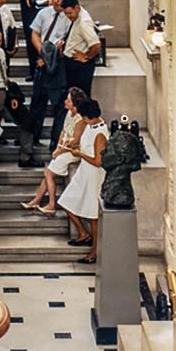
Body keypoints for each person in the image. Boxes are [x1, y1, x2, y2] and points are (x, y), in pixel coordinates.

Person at [21, 86, 87, 213]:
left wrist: (60, 151)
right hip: (63, 147)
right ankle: (36, 201)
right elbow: (63, 131)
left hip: (72, 151)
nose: (65, 102)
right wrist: (58, 147)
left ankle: (51, 204)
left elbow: (75, 141)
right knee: (48, 173)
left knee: (48, 173)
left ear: (75, 103)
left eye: (68, 100)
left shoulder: (80, 119)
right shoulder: (69, 113)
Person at [57, 98, 107, 262]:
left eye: (84, 117)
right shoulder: (90, 126)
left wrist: (80, 155)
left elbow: (99, 162)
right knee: (66, 201)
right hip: (84, 173)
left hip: (94, 176)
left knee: (93, 216)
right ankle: (83, 233)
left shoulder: (100, 132)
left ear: (89, 116)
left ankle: (95, 252)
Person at [30, 0, 71, 150]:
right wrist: (42, 53)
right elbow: (35, 33)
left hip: (59, 65)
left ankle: (55, 141)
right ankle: (33, 136)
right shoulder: (44, 13)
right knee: (37, 103)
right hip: (42, 63)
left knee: (60, 106)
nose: (56, 2)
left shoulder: (69, 17)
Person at [61, 0, 102, 95]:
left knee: (79, 96)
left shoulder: (84, 23)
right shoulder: (79, 14)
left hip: (79, 66)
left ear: (77, 8)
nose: (68, 16)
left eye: (70, 13)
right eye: (66, 13)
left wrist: (87, 57)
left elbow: (96, 44)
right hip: (71, 63)